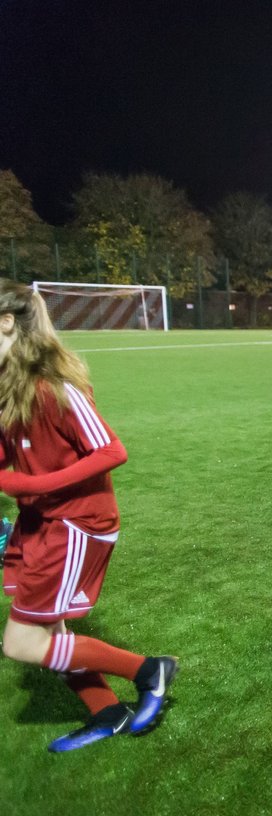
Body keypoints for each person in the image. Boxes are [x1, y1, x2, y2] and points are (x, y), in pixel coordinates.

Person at [0, 281, 177, 753]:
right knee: (50, 629)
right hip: (37, 523)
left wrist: (34, 486)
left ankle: (148, 670)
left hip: (76, 524)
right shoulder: (7, 387)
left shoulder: (53, 386)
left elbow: (111, 449)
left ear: (7, 324)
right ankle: (107, 712)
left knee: (21, 643)